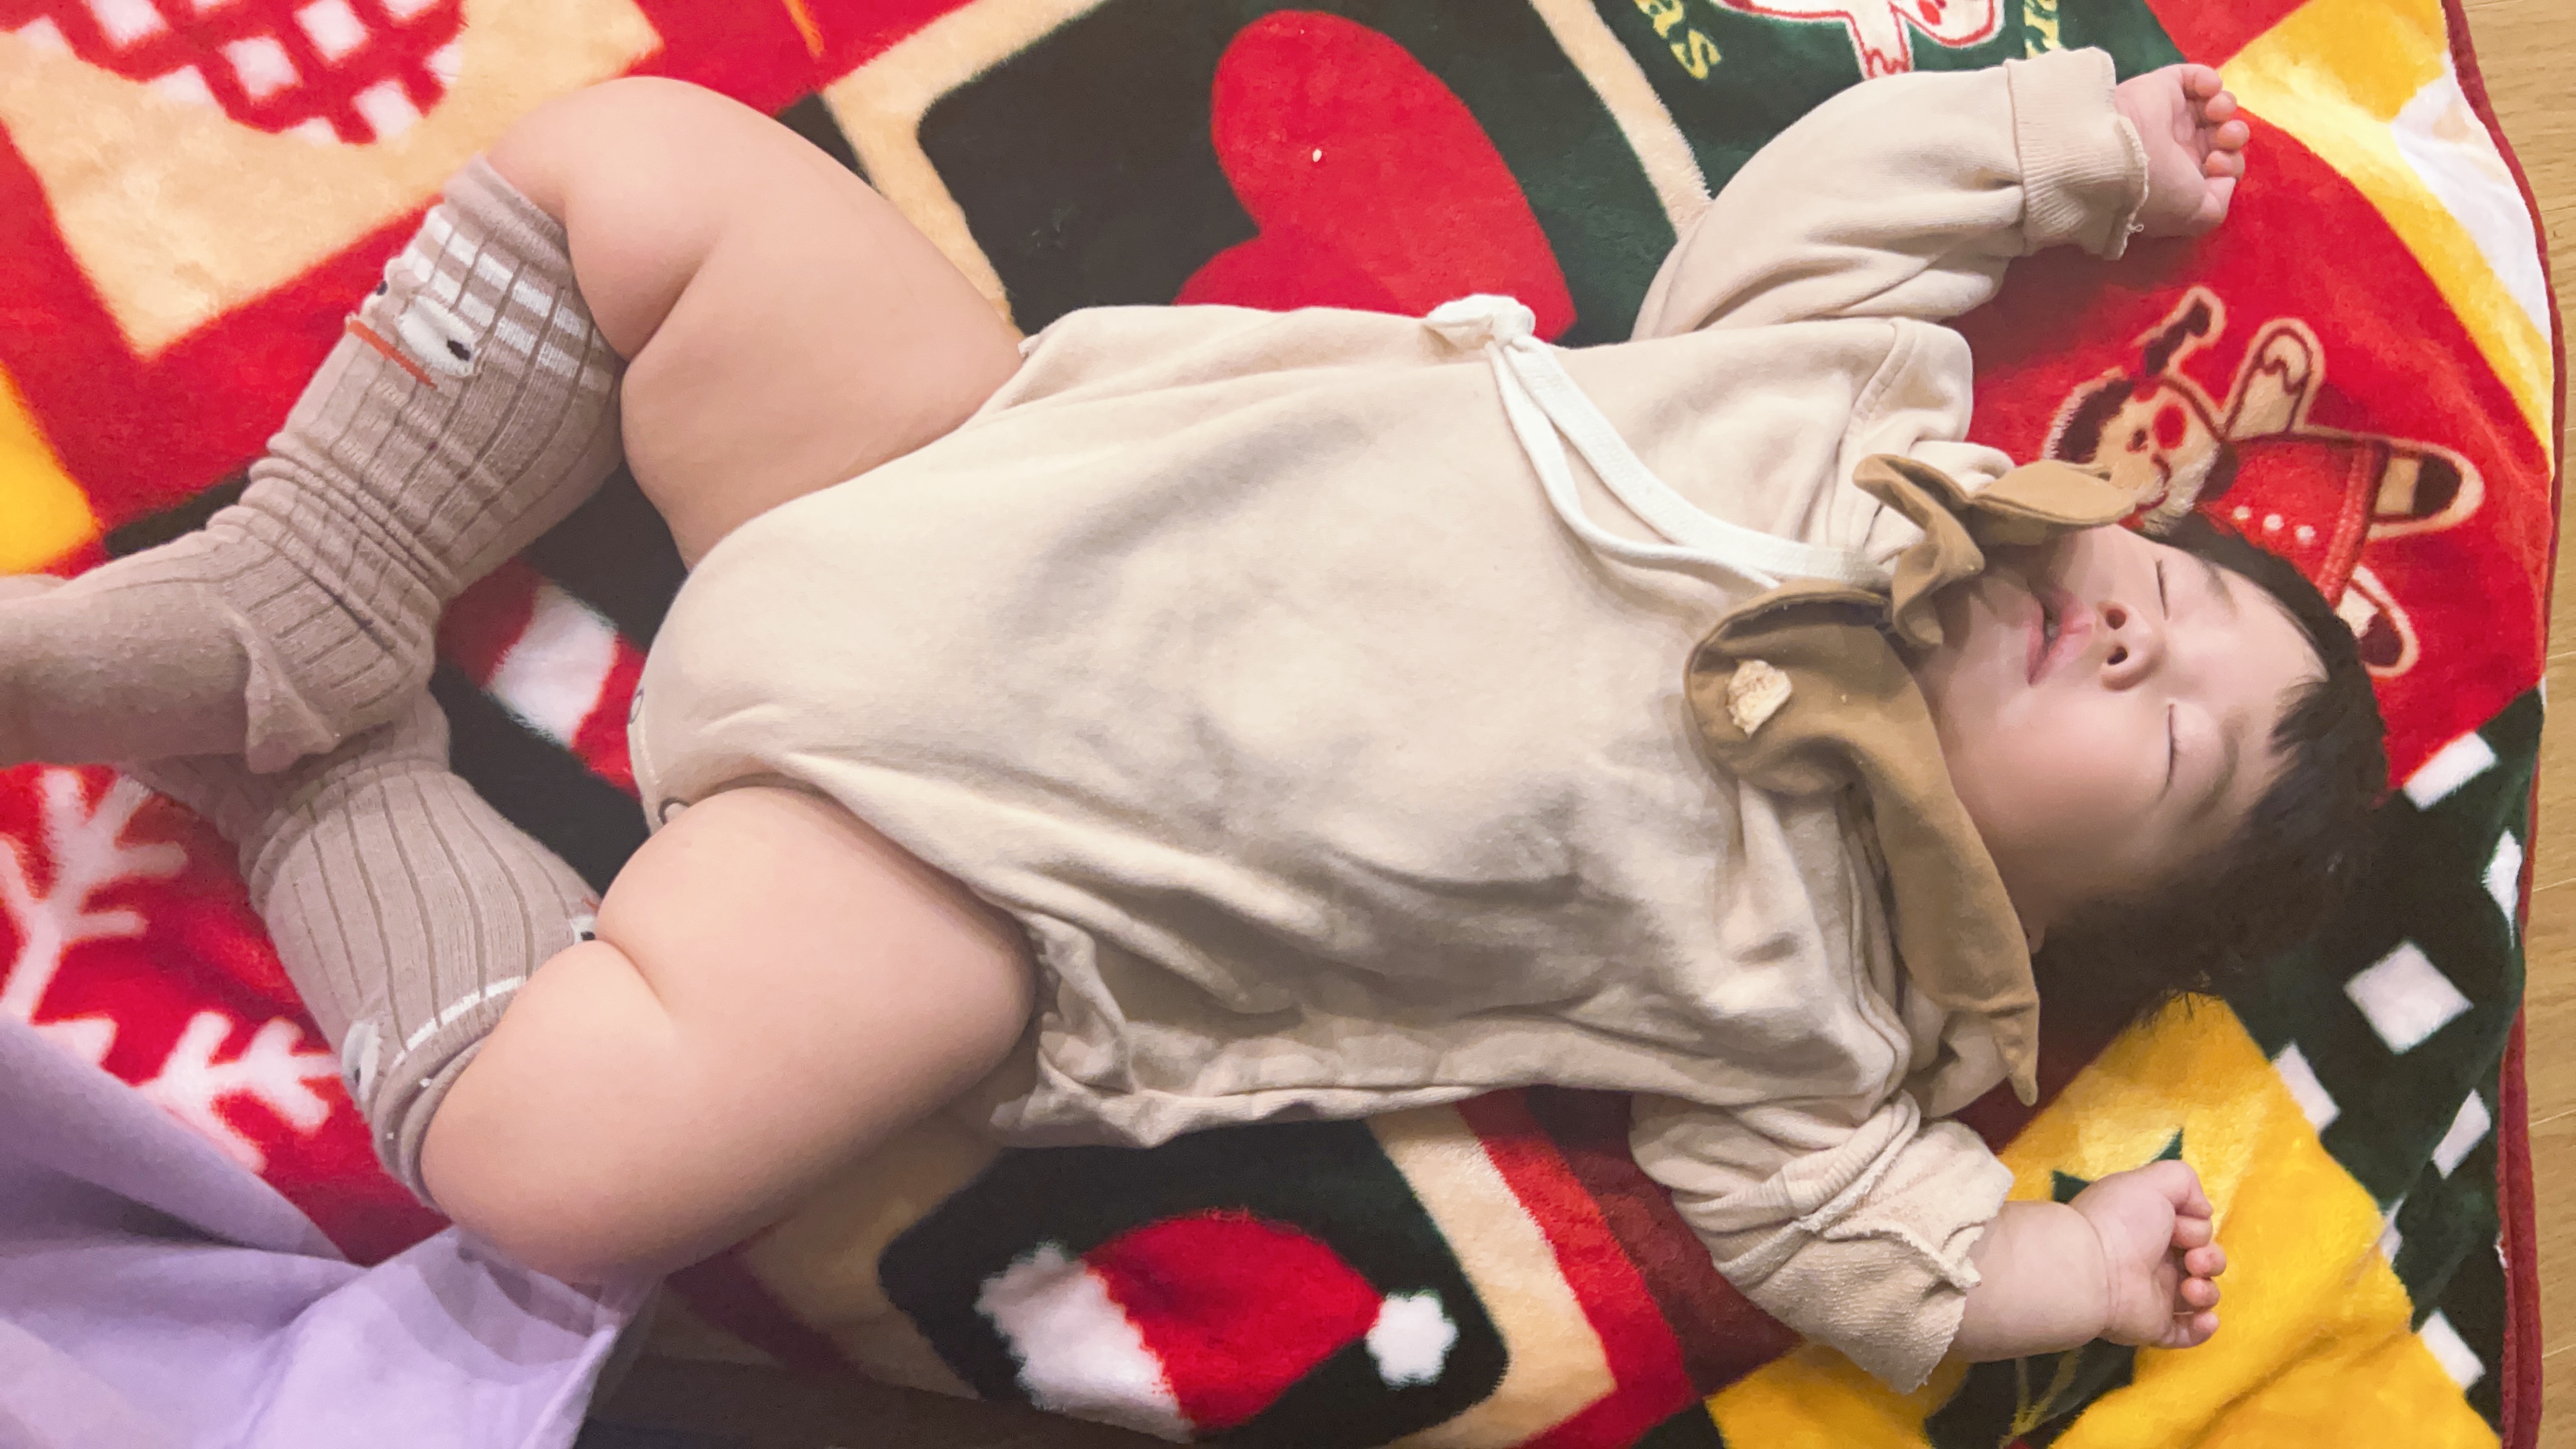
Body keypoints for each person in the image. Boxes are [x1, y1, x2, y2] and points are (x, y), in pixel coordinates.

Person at [0, 48, 2383, 1393]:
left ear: (2049, 923)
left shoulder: (1822, 1009)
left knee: (562, 1164)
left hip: (964, 867)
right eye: (2173, 596)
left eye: (2176, 741)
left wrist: (2069, 1272)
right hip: (942, 457)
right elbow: (1844, 199)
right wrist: (2074, 149)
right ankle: (314, 578)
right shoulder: (1842, 418)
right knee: (644, 173)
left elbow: (1857, 1238)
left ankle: (319, 775)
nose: (2137, 645)